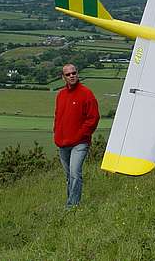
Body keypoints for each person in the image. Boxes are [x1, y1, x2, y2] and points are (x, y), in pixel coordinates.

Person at [53, 64, 99, 208]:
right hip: (62, 143)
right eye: (68, 74)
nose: (72, 75)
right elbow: (58, 117)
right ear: (63, 77)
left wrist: (81, 135)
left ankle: (72, 206)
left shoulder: (87, 93)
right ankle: (71, 201)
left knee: (74, 174)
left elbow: (94, 118)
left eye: (74, 73)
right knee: (69, 176)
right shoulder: (60, 95)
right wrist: (56, 133)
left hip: (80, 143)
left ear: (77, 74)